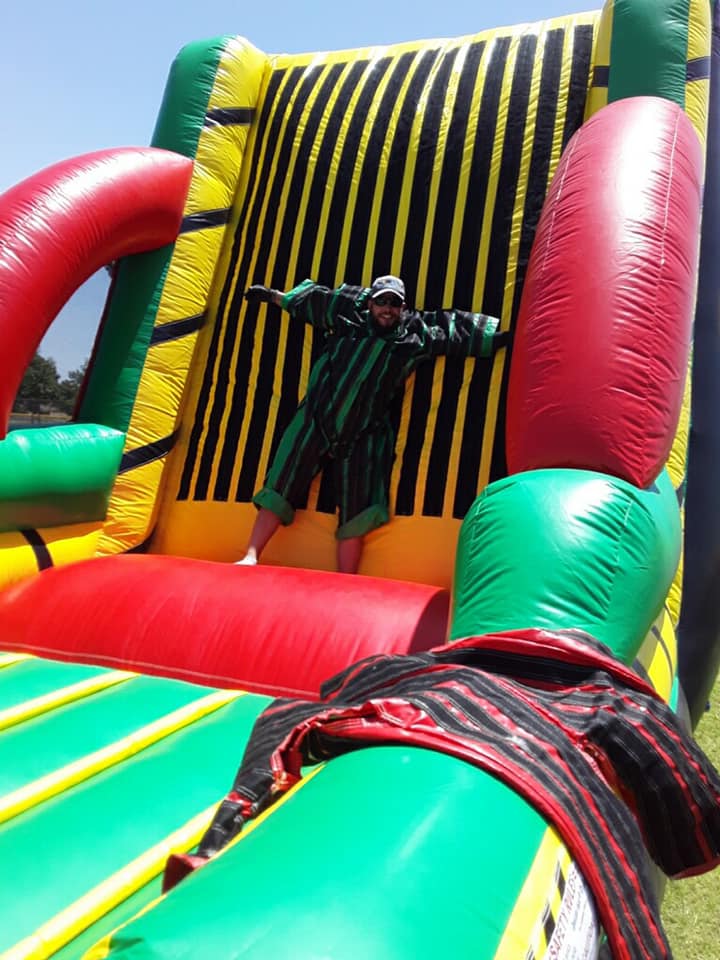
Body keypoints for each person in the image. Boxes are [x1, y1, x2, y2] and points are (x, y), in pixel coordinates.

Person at [237, 275, 507, 573]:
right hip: (315, 418)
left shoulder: (415, 332)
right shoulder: (346, 312)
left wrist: (501, 338)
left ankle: (345, 580)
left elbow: (453, 330)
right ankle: (251, 555)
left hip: (364, 431)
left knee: (359, 506)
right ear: (370, 302)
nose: (387, 309)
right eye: (382, 302)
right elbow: (311, 303)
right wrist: (272, 296)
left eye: (394, 303)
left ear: (403, 307)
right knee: (283, 479)